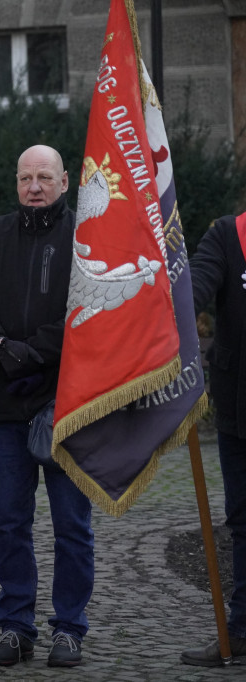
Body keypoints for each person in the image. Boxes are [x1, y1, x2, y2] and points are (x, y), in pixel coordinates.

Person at [0, 145, 94, 668]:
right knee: (9, 523)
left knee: (71, 525)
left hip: (69, 404)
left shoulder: (87, 237)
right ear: (16, 183)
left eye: (45, 177)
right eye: (26, 178)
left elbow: (93, 311)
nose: (35, 187)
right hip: (5, 406)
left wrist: (36, 350)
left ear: (64, 181)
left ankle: (69, 627)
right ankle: (17, 626)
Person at [181, 213, 246, 666]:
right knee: (243, 524)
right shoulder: (229, 234)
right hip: (240, 408)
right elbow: (195, 288)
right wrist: (169, 294)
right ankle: (242, 632)